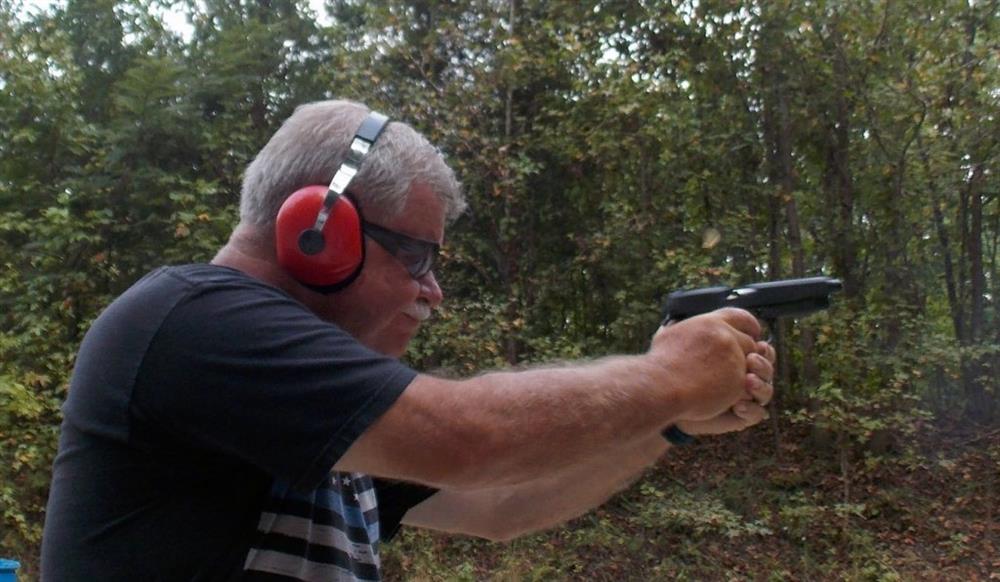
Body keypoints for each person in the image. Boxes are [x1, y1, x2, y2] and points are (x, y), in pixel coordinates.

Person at [40, 99, 776, 581]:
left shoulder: (310, 406)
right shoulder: (194, 321)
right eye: (418, 256)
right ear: (319, 232)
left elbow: (501, 507)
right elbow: (470, 439)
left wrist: (667, 423)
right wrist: (670, 377)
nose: (434, 291)